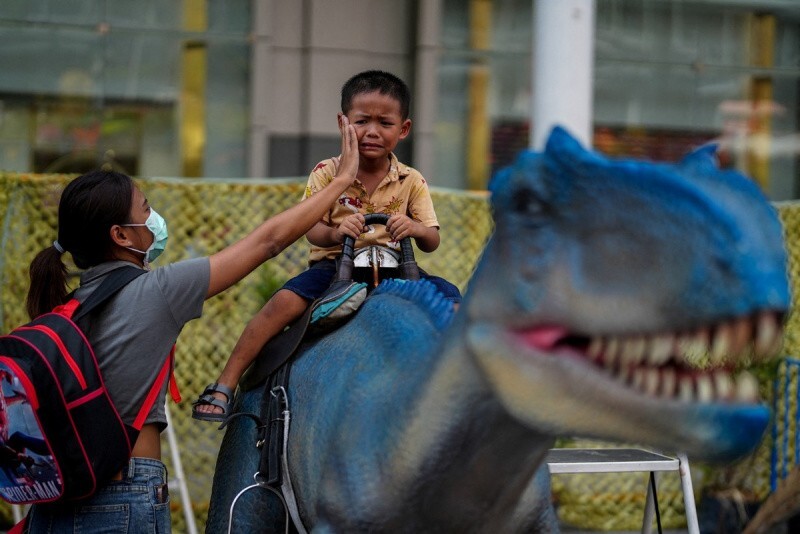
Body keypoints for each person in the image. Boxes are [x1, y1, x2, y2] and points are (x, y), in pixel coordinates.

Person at [19, 116, 359, 533]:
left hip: (52, 509)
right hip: (123, 498)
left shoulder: (68, 306)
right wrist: (340, 183)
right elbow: (266, 242)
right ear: (121, 236)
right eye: (145, 209)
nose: (154, 218)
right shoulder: (157, 291)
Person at [193, 69, 461, 422]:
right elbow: (311, 229)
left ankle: (471, 386)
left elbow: (432, 238)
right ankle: (226, 383)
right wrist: (336, 233)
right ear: (343, 122)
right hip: (337, 267)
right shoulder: (326, 172)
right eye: (362, 120)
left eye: (385, 123)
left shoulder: (411, 180)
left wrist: (412, 227)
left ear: (404, 129)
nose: (372, 131)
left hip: (396, 267)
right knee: (281, 304)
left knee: (453, 300)